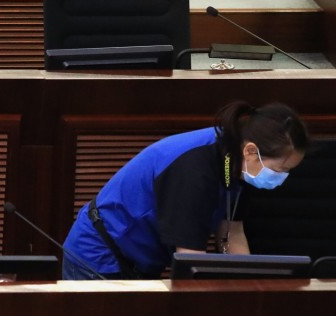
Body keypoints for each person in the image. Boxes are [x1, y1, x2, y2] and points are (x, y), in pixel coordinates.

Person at [61, 100, 310, 279]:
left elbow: (231, 233)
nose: (282, 177)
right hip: (100, 256)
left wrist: (249, 283)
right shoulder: (194, 169)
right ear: (250, 151)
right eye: (280, 169)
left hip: (142, 260)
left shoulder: (236, 163)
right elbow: (191, 260)